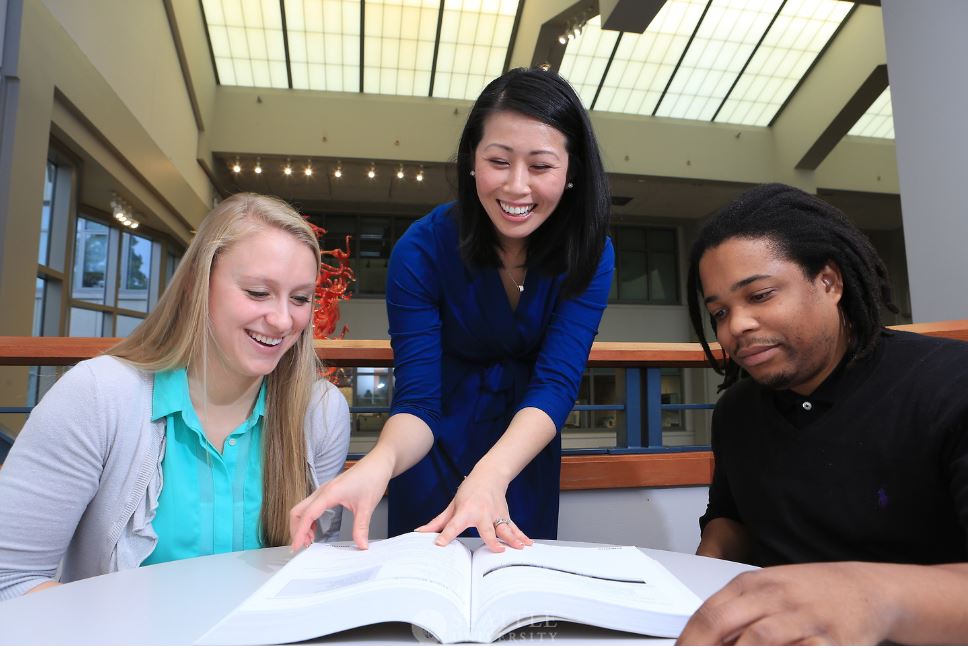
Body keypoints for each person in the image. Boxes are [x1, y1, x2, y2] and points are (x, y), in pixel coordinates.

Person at [290, 67, 614, 553]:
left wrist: (491, 475)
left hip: (519, 455)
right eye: (498, 161)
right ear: (471, 161)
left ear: (572, 173)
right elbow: (419, 400)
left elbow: (556, 383)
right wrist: (377, 463)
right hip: (429, 450)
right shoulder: (420, 250)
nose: (517, 187)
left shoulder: (591, 253)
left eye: (541, 166)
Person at [0, 193, 350, 600]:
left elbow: (312, 573)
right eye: (257, 292)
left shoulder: (321, 413)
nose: (282, 319)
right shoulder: (98, 395)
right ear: (196, 287)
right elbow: (10, 579)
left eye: (300, 298)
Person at [677, 183, 968, 644]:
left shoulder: (950, 385)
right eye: (719, 312)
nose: (736, 327)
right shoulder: (737, 410)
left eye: (760, 295)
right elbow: (731, 517)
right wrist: (695, 582)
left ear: (829, 282)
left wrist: (867, 595)